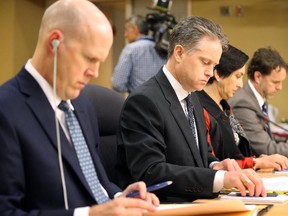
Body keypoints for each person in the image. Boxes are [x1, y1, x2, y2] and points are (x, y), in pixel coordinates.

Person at [0, 1, 159, 215]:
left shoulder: (82, 104)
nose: (94, 72)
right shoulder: (6, 110)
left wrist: (121, 197)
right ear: (54, 42)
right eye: (90, 59)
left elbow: (94, 181)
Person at [116, 16, 266, 203]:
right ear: (179, 53)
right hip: (164, 206)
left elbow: (200, 155)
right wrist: (219, 179)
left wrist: (215, 165)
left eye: (214, 65)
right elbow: (151, 172)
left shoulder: (192, 96)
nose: (210, 73)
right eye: (205, 62)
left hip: (196, 202)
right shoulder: (144, 101)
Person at [196, 45, 288, 170]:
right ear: (217, 74)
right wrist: (256, 162)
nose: (240, 85)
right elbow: (212, 163)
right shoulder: (201, 108)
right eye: (237, 76)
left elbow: (237, 150)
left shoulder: (224, 106)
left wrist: (257, 160)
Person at [229, 47, 288, 157]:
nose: (280, 87)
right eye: (275, 82)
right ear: (258, 77)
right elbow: (265, 149)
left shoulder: (258, 97)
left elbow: (266, 136)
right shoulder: (243, 104)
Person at [112, 15, 167, 93]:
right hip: (163, 101)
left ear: (135, 29)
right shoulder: (164, 49)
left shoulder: (131, 49)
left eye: (126, 30)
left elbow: (117, 84)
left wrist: (133, 88)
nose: (125, 35)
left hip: (139, 101)